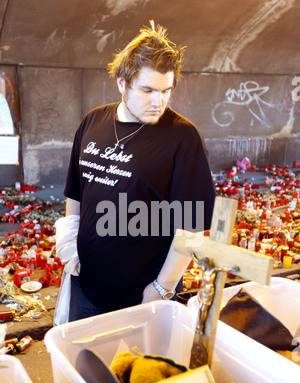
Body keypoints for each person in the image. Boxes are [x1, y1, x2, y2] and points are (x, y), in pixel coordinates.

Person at [55, 21, 216, 324]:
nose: (159, 102)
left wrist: (162, 288)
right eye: (147, 90)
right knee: (84, 367)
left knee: (140, 371)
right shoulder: (93, 122)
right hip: (85, 286)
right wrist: (69, 245)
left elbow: (191, 229)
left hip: (144, 296)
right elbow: (76, 193)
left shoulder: (183, 138)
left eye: (166, 90)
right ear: (121, 82)